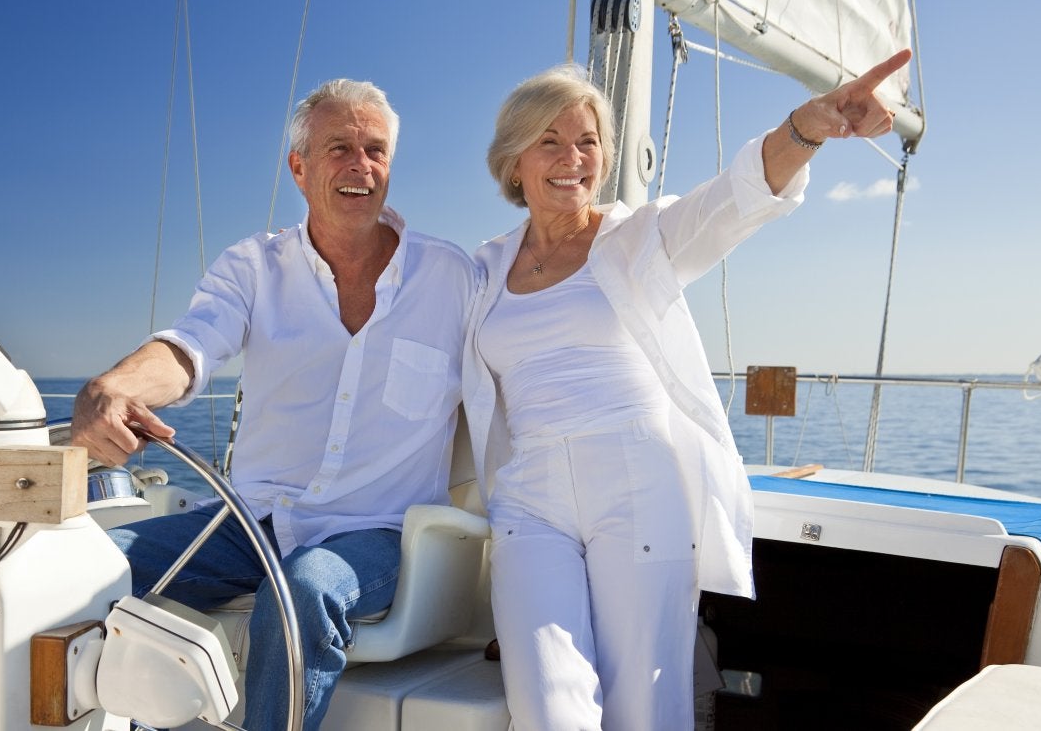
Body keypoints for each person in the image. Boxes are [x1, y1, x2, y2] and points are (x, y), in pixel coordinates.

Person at [462, 50, 913, 730]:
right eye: (549, 141)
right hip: (530, 500)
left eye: (588, 141)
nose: (572, 158)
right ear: (513, 161)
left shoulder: (639, 238)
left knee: (645, 709)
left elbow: (731, 202)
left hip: (638, 489)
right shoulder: (482, 269)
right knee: (549, 706)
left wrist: (806, 128)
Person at [71, 78, 475, 730]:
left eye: (375, 150)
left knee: (302, 592)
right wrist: (117, 388)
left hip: (379, 531)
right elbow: (190, 346)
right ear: (299, 167)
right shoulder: (254, 267)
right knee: (83, 567)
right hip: (252, 522)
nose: (360, 166)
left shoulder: (454, 278)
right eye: (339, 148)